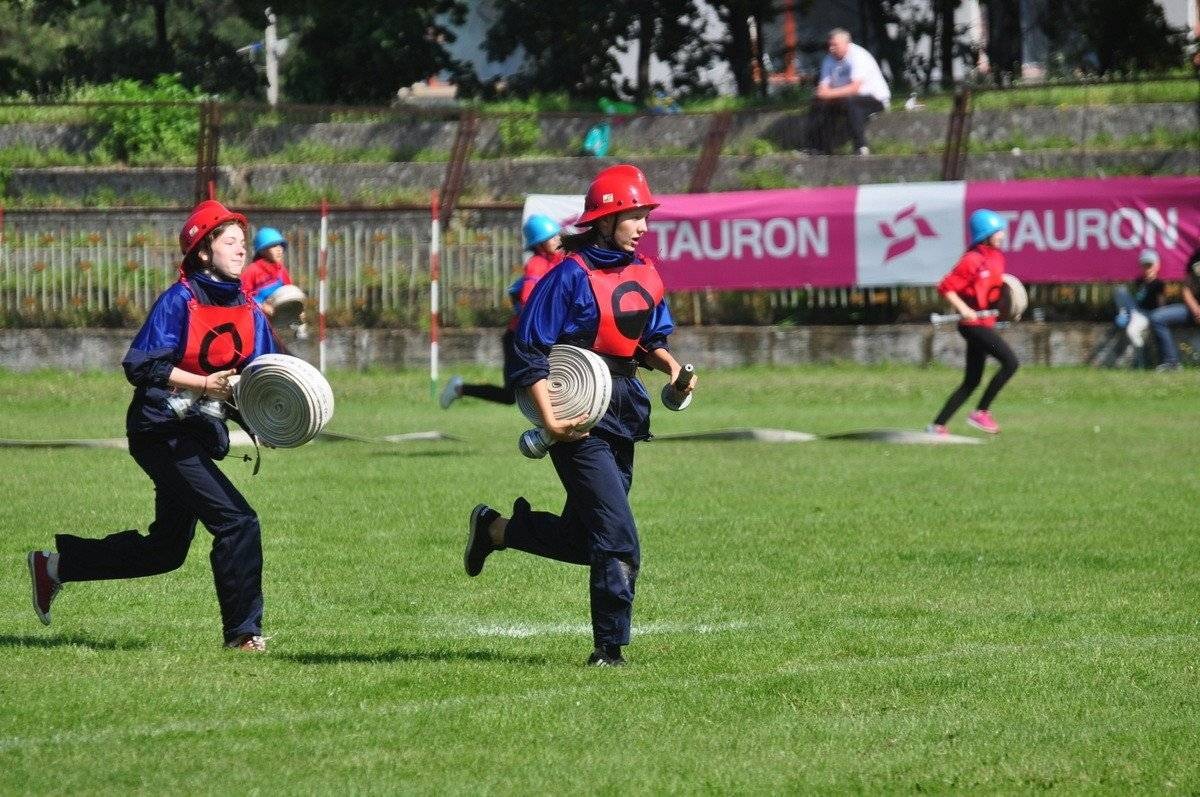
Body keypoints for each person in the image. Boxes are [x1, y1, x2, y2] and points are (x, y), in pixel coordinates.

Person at [462, 164, 695, 667]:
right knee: (617, 536)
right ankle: (610, 651)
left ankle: (496, 530)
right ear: (606, 220)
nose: (644, 227)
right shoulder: (567, 275)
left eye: (644, 217)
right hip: (576, 412)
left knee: (586, 538)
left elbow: (650, 341)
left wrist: (674, 369)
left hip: (626, 408)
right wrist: (550, 420)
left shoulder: (646, 273)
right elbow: (529, 349)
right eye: (635, 216)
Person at [26, 199, 280, 652]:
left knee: (164, 552)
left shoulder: (250, 308)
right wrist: (205, 383)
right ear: (203, 250)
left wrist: (279, 416)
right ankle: (244, 635)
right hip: (160, 431)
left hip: (197, 435)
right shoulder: (178, 301)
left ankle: (54, 567)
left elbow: (269, 373)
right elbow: (141, 366)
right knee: (238, 521)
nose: (242, 249)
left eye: (244, 242)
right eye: (230, 241)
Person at [441, 214, 565, 408]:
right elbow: (526, 298)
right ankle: (459, 389)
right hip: (518, 338)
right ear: (540, 244)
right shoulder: (536, 264)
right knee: (511, 396)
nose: (559, 239)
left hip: (540, 336)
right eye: (553, 237)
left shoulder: (559, 261)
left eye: (558, 235)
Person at [927, 209, 1019, 436]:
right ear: (986, 234)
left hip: (985, 323)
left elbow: (995, 292)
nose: (1003, 236)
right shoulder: (972, 259)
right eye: (999, 232)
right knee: (1011, 363)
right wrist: (964, 309)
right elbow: (945, 287)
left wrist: (1008, 307)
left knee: (972, 381)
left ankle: (936, 426)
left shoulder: (997, 257)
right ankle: (981, 412)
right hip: (972, 326)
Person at [808, 28, 891, 156]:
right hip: (843, 98)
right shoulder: (828, 60)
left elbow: (854, 88)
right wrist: (823, 95)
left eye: (835, 45)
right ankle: (818, 147)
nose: (831, 48)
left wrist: (828, 94)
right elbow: (823, 87)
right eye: (830, 45)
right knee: (818, 103)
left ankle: (860, 146)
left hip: (873, 99)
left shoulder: (858, 56)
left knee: (851, 102)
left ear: (847, 43)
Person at [1147, 247, 1200, 371]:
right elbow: (1186, 288)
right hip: (1193, 311)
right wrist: (1196, 309)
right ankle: (1171, 363)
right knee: (1157, 317)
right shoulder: (1195, 258)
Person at [1111, 249, 1164, 365]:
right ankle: (1123, 313)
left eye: (1149, 265)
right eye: (1144, 266)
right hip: (1136, 310)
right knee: (1119, 290)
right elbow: (1136, 297)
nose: (1147, 269)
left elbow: (1161, 303)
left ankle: (1142, 356)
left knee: (1131, 331)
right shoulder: (1139, 281)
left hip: (1148, 313)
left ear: (1157, 266)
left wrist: (1158, 318)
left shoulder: (1158, 284)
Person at [241, 226, 295, 315]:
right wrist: (261, 306)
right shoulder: (252, 270)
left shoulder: (280, 269)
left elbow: (289, 291)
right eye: (273, 246)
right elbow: (243, 295)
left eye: (280, 245)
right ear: (262, 251)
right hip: (259, 318)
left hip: (280, 316)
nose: (279, 250)